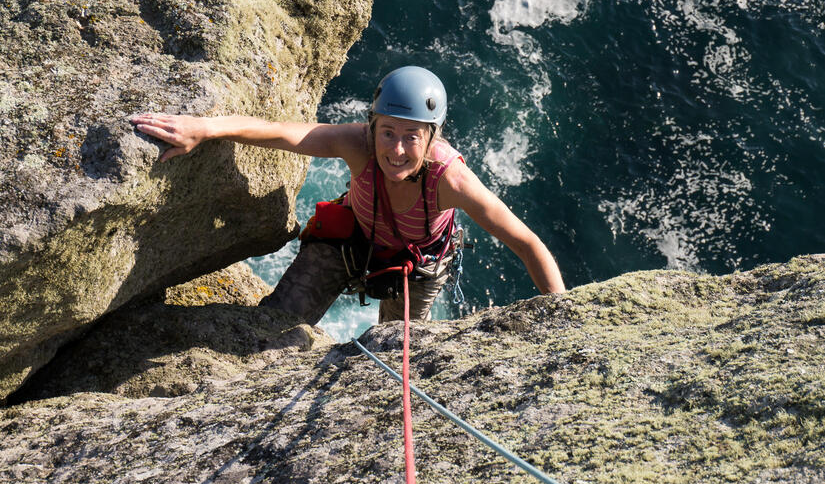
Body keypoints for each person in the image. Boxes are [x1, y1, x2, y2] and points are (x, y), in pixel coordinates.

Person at [131, 66, 565, 326]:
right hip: (349, 242)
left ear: (432, 137)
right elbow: (284, 133)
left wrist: (565, 318)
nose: (395, 150)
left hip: (414, 266)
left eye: (410, 137)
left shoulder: (450, 181)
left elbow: (527, 244)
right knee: (275, 326)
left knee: (398, 358)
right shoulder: (356, 144)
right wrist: (204, 128)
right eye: (388, 132)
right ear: (372, 126)